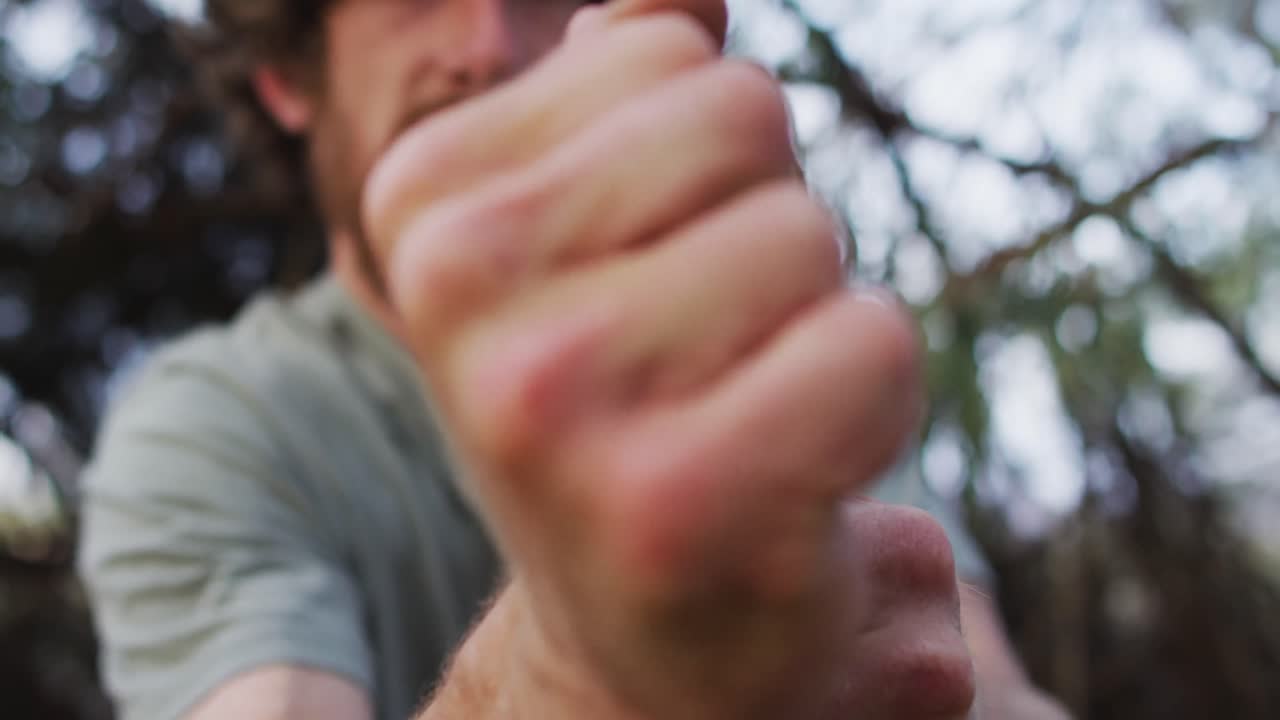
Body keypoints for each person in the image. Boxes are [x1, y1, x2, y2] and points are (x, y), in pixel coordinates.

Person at [78, 0, 1069, 718]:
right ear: (291, 73)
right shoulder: (214, 429)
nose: (488, 46)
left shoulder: (751, 340)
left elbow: (987, 684)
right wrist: (571, 681)